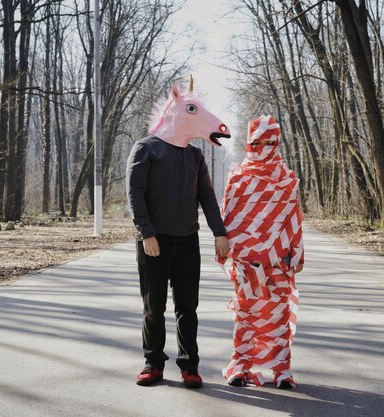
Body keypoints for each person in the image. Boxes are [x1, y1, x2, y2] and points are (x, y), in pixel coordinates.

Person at [126, 82, 230, 388]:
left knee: (188, 307)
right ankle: (152, 363)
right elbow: (135, 194)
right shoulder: (146, 149)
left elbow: (207, 197)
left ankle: (189, 365)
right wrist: (147, 233)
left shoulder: (195, 157)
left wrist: (219, 232)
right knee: (153, 305)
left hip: (187, 242)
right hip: (153, 242)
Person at [219, 115, 304, 389]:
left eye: (271, 142)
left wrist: (298, 252)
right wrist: (223, 248)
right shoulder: (238, 177)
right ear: (249, 143)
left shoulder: (286, 178)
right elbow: (228, 216)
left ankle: (282, 371)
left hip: (279, 259)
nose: (264, 147)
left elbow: (294, 216)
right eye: (258, 142)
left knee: (278, 315)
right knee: (246, 314)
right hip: (247, 260)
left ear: (278, 142)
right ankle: (240, 367)